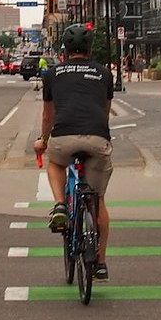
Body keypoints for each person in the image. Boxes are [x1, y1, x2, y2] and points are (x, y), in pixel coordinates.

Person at [34, 23, 115, 282]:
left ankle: (59, 205)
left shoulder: (53, 74)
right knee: (98, 199)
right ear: (90, 48)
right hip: (97, 138)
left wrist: (43, 140)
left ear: (66, 50)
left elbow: (49, 115)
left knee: (56, 165)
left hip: (64, 137)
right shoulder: (104, 74)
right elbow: (104, 111)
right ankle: (100, 262)